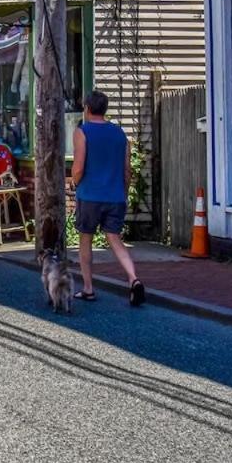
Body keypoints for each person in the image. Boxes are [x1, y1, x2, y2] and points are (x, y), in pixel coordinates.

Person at [71, 90, 145, 306]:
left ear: (87, 108)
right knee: (114, 238)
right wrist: (123, 191)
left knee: (86, 238)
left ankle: (88, 288)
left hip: (90, 195)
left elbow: (78, 168)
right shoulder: (119, 134)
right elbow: (127, 170)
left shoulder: (82, 132)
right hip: (115, 195)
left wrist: (74, 182)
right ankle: (134, 278)